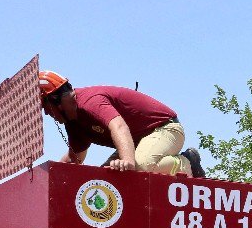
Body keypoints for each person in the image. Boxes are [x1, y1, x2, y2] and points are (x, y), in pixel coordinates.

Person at [37, 70, 204, 177]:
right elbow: (75, 160)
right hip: (137, 142)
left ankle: (187, 161)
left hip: (165, 129)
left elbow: (119, 127)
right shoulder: (73, 122)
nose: (46, 113)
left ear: (55, 101)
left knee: (141, 166)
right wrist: (47, 176)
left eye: (46, 107)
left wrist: (128, 161)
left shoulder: (89, 102)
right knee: (104, 179)